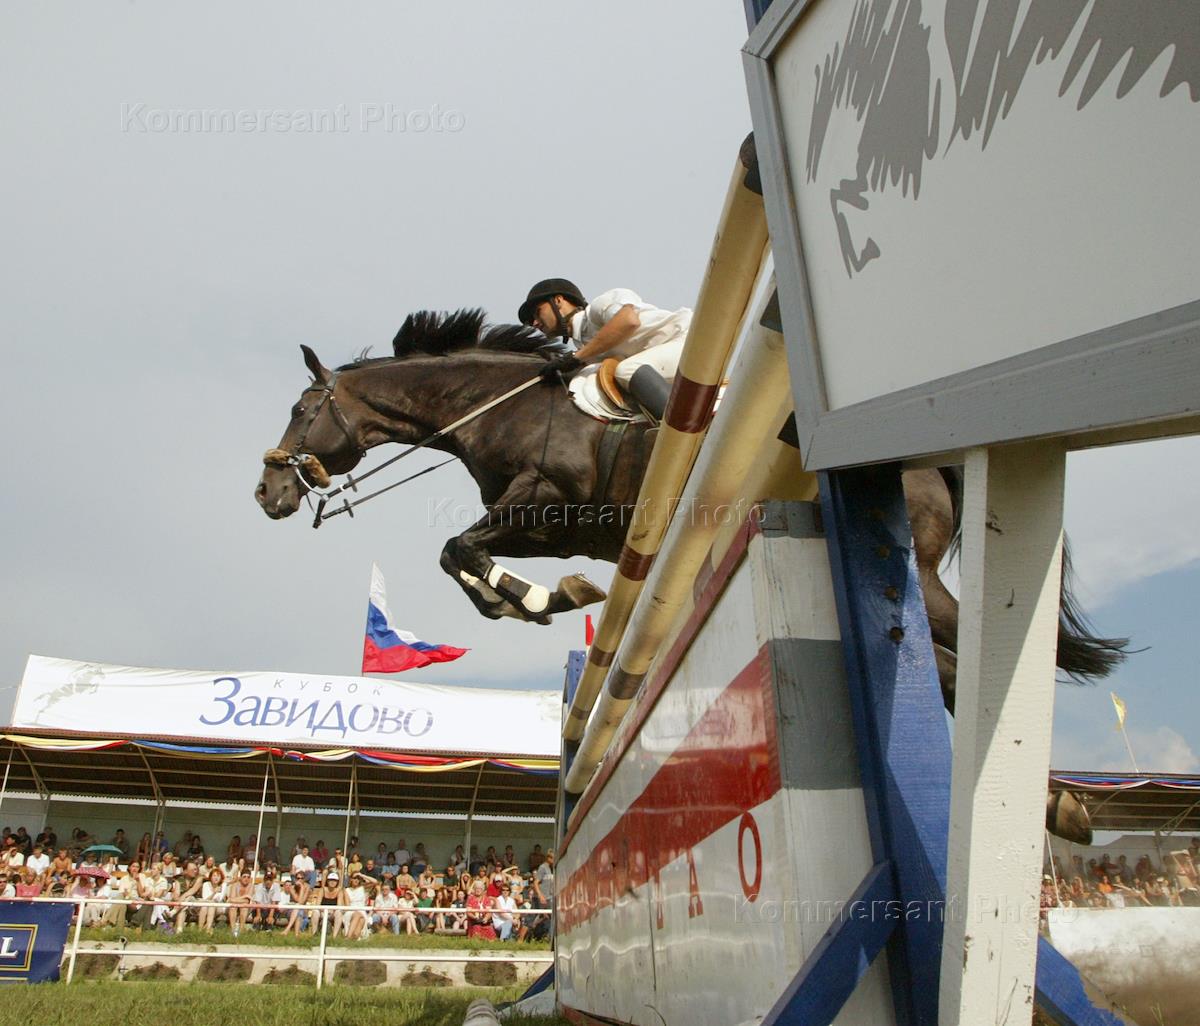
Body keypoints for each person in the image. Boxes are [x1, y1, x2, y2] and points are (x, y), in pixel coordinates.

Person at [518, 279, 691, 419]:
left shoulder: (598, 307)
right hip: (673, 363)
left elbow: (629, 321)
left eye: (537, 312)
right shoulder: (586, 346)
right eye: (531, 321)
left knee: (627, 370)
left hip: (689, 340)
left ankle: (681, 426)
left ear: (558, 301)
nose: (535, 323)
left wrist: (576, 357)